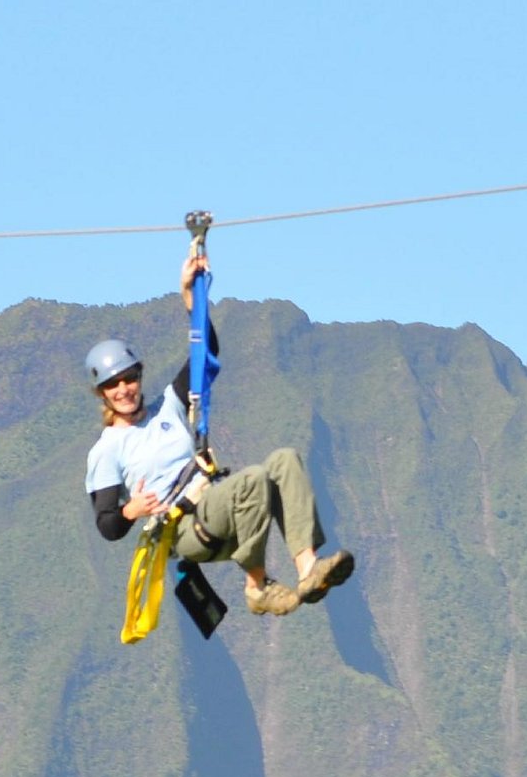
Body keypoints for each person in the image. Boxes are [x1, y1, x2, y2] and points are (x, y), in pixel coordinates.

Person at [84, 253, 354, 617]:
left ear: (139, 376)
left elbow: (206, 351)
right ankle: (257, 585)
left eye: (129, 378)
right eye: (113, 384)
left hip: (219, 504)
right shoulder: (107, 449)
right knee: (253, 479)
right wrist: (131, 509)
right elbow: (107, 525)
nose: (124, 389)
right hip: (184, 528)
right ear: (101, 393)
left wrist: (189, 297)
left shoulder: (170, 406)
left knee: (284, 460)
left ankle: (308, 569)